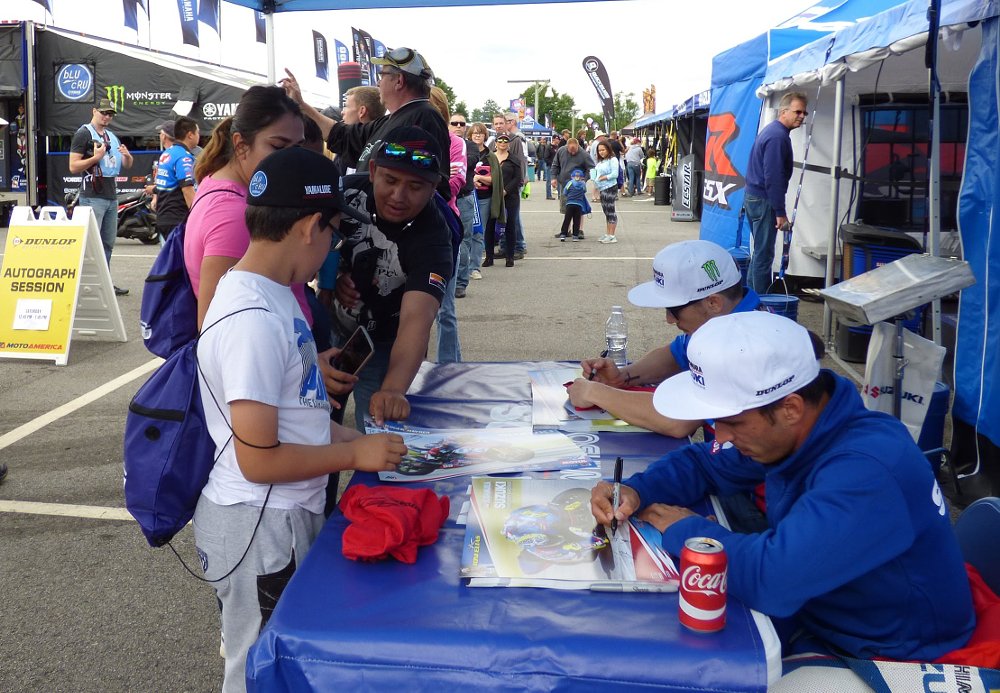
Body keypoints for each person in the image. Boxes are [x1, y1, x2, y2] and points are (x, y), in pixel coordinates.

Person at [591, 310, 975, 662]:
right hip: (825, 611)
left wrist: (689, 533)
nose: (719, 436)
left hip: (887, 653)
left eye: (731, 422)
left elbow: (772, 580)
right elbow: (703, 462)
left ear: (790, 408)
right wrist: (636, 490)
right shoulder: (803, 424)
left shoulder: (867, 470)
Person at [193, 146, 407, 693]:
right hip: (260, 523)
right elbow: (258, 460)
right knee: (260, 667)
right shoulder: (252, 318)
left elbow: (299, 417)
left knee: (283, 657)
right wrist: (354, 453)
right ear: (311, 225)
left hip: (281, 515)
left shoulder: (274, 293)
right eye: (333, 232)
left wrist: (360, 441)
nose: (332, 246)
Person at [568, 240, 760, 438]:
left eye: (674, 309)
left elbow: (678, 420)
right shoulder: (724, 323)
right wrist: (622, 377)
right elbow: (675, 355)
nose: (669, 319)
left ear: (713, 302)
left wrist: (595, 393)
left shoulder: (745, 346)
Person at [332, 125, 454, 430]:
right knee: (313, 428)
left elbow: (417, 319)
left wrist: (393, 390)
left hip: (387, 344)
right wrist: (332, 277)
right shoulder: (342, 193)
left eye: (415, 186)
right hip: (328, 330)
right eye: (390, 180)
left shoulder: (436, 238)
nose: (399, 196)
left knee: (378, 426)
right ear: (373, 170)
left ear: (434, 187)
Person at [282, 48, 450, 200]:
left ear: (399, 81)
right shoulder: (392, 119)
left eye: (381, 75)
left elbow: (428, 186)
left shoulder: (425, 117)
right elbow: (341, 135)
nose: (378, 83)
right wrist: (301, 104)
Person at [743, 91, 807, 293]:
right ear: (783, 111)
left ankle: (752, 298)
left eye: (804, 112)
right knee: (763, 256)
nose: (802, 116)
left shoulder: (773, 132)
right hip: (763, 200)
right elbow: (773, 177)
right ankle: (759, 303)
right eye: (798, 112)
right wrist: (780, 211)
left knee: (759, 253)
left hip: (755, 197)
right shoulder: (777, 137)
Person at [68, 97, 133, 296]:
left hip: (111, 195)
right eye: (103, 112)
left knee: (107, 243)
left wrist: (128, 156)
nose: (107, 117)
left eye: (110, 114)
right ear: (94, 111)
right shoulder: (83, 133)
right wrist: (95, 158)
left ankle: (103, 283)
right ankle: (85, 284)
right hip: (92, 195)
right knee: (92, 244)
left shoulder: (111, 136)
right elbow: (73, 166)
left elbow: (126, 165)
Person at [429, 86, 465, 363]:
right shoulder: (404, 136)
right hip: (405, 230)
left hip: (443, 227)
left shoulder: (455, 143)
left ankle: (449, 368)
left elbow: (454, 184)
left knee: (445, 309)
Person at [449, 111, 480, 299]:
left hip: (464, 198)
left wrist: (453, 161)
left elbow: (470, 161)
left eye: (462, 123)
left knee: (464, 241)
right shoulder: (442, 142)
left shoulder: (470, 146)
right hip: (445, 197)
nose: (459, 126)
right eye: (455, 123)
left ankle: (460, 282)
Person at [152, 117, 197, 241]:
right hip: (178, 217)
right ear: (190, 135)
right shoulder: (183, 156)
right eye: (197, 132)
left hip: (165, 215)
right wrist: (198, 215)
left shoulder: (168, 153)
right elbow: (187, 188)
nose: (199, 135)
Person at [470, 123, 506, 271]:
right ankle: (463, 267)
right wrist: (471, 180)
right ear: (470, 135)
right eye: (474, 133)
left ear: (485, 135)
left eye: (480, 133)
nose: (477, 135)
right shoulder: (464, 152)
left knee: (479, 233)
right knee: (465, 233)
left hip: (484, 199)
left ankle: (474, 268)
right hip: (466, 197)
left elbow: (496, 180)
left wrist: (479, 177)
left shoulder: (491, 156)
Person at [550, 136, 595, 241]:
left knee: (579, 207)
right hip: (564, 183)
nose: (573, 152)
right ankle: (567, 230)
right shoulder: (561, 151)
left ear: (578, 146)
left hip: (577, 186)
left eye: (575, 150)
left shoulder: (584, 154)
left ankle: (579, 230)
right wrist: (553, 178)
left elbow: (591, 168)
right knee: (566, 207)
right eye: (570, 150)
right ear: (567, 147)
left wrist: (584, 179)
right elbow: (555, 165)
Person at [491, 134, 519, 268]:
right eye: (500, 140)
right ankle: (489, 256)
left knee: (510, 226)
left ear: (509, 144)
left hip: (510, 197)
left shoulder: (514, 159)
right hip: (492, 196)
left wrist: (505, 191)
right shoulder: (490, 157)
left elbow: (517, 178)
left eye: (505, 140)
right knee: (490, 226)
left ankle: (510, 257)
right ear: (496, 143)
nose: (503, 142)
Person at [592, 140, 620, 244]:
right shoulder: (601, 162)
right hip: (602, 188)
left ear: (608, 149)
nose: (601, 152)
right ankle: (608, 233)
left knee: (610, 211)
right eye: (599, 150)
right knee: (606, 211)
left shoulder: (613, 160)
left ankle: (612, 235)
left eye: (603, 150)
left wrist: (604, 177)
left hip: (610, 187)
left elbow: (615, 174)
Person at [556, 169, 590, 241]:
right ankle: (575, 235)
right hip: (579, 204)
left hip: (570, 203)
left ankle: (563, 234)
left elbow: (565, 192)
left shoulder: (570, 183)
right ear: (582, 177)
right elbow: (584, 191)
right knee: (577, 220)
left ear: (572, 177)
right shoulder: (583, 184)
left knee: (567, 219)